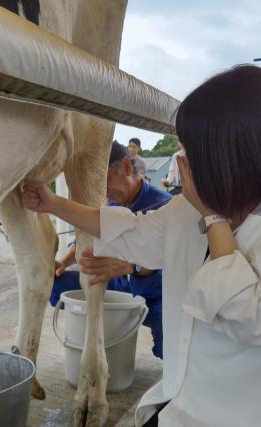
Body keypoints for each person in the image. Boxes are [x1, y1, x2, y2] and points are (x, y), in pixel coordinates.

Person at [21, 65, 261, 426]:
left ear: (236, 151)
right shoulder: (199, 204)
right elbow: (132, 232)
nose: (184, 163)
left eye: (191, 150)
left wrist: (213, 217)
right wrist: (52, 204)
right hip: (194, 402)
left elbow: (252, 316)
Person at [52, 142, 170, 358]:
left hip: (155, 296)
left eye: (104, 181)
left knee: (170, 345)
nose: (103, 191)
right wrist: (63, 262)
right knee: (53, 284)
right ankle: (105, 327)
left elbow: (174, 264)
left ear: (126, 167)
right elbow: (88, 237)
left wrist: (129, 266)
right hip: (115, 287)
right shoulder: (111, 203)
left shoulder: (166, 207)